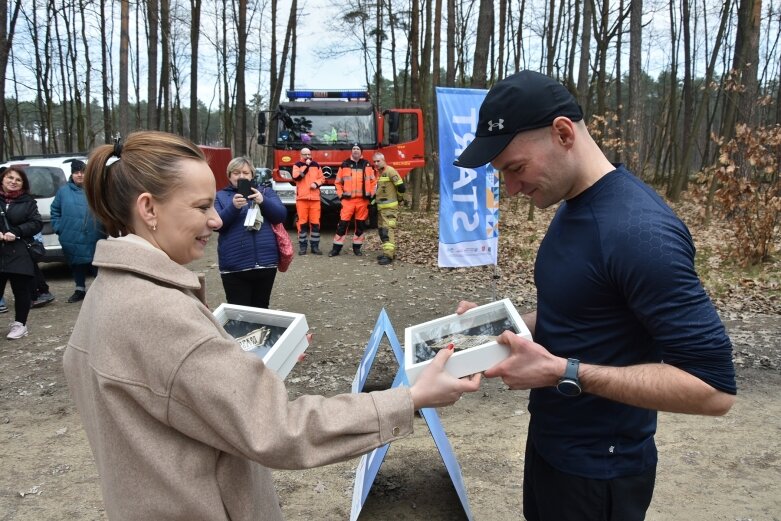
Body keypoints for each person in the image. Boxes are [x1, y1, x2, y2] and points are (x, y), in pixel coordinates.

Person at [63, 130, 481, 521]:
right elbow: (279, 429)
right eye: (201, 206)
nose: (214, 220)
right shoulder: (161, 312)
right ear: (148, 208)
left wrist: (243, 372)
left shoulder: (107, 291)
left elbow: (169, 400)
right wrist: (409, 400)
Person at [453, 70, 737, 521]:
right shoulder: (575, 202)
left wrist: (563, 372)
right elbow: (579, 312)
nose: (511, 189)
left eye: (516, 169)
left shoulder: (640, 232)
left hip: (601, 475)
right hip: (552, 449)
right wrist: (498, 324)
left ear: (562, 133)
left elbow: (714, 388)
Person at [215, 156, 287, 309]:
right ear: (229, 175)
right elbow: (217, 225)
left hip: (266, 265)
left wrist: (263, 201)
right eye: (236, 173)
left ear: (252, 175)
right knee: (240, 314)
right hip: (234, 267)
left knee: (261, 310)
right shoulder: (220, 196)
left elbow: (281, 215)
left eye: (245, 173)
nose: (241, 176)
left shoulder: (266, 192)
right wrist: (233, 207)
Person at [51, 159, 105, 303]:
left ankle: (101, 291)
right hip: (71, 235)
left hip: (95, 234)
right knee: (77, 264)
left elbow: (106, 209)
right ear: (72, 174)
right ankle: (79, 289)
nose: (80, 175)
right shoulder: (63, 191)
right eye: (76, 172)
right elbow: (55, 210)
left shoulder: (96, 190)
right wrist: (59, 228)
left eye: (82, 172)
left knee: (96, 264)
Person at [0, 167, 43, 339]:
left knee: (21, 290)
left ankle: (20, 324)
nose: (13, 182)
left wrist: (17, 231)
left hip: (19, 250)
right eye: (10, 178)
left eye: (18, 180)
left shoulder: (28, 202)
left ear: (23, 184)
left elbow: (36, 223)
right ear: (3, 179)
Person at [328, 144, 376, 257]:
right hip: (348, 201)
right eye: (353, 149)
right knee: (342, 225)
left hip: (363, 201)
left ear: (361, 152)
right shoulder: (344, 164)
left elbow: (374, 182)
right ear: (351, 151)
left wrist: (371, 195)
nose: (355, 150)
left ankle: (357, 248)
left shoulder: (367, 164)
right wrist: (341, 196)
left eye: (358, 149)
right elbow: (338, 183)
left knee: (360, 226)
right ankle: (336, 249)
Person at [372, 152, 406, 265]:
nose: (376, 163)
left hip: (390, 209)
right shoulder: (379, 173)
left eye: (378, 161)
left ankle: (389, 256)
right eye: (374, 161)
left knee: (387, 230)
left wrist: (400, 198)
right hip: (381, 209)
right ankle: (387, 252)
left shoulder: (390, 171)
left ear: (383, 160)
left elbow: (401, 187)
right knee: (382, 231)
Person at [291, 147, 325, 255]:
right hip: (302, 199)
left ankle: (315, 247)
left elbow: (322, 178)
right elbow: (296, 177)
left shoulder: (316, 165)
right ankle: (303, 247)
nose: (307, 157)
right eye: (305, 155)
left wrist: (316, 184)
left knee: (315, 223)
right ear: (301, 155)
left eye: (309, 154)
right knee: (302, 224)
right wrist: (306, 167)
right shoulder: (297, 165)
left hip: (315, 199)